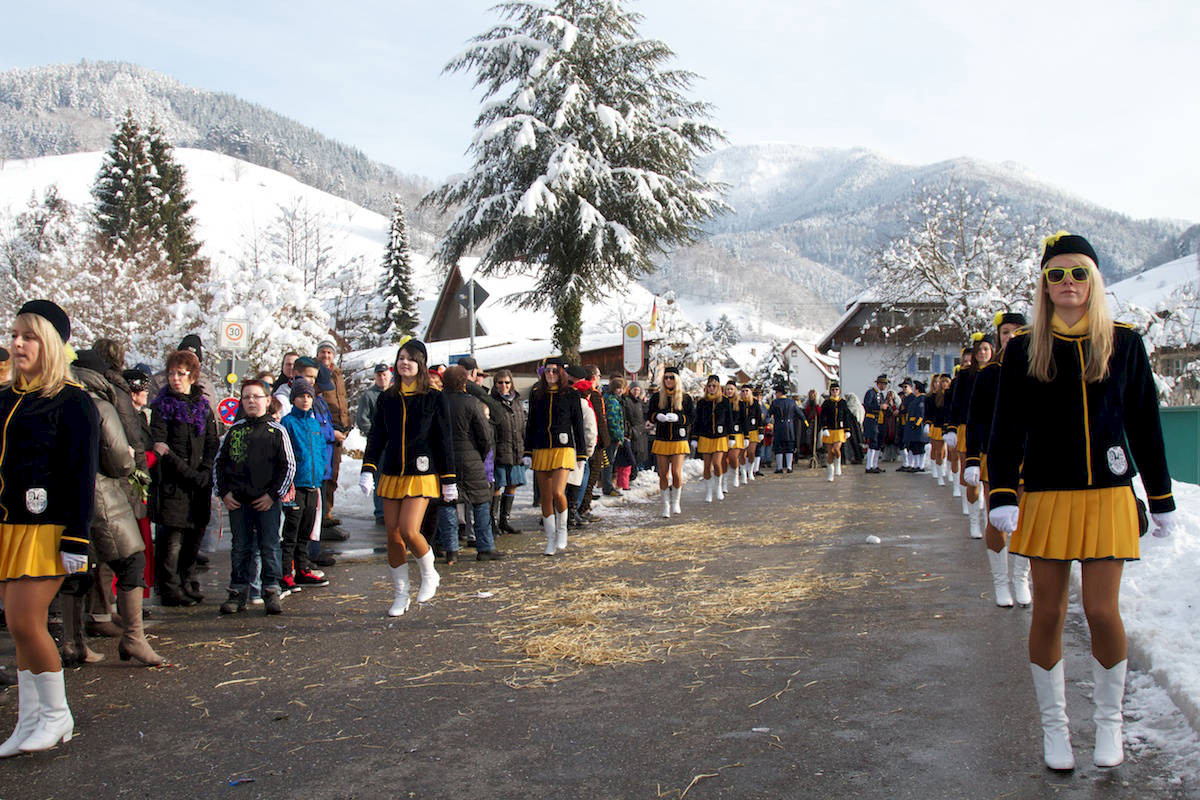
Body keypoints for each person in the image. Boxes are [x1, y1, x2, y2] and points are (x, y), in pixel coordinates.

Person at [987, 232, 1177, 772]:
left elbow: (1145, 424)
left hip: (1108, 496)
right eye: (1056, 274)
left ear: (1094, 281)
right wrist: (1003, 493)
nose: (1067, 282)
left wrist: (1160, 496)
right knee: (1047, 611)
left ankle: (1109, 726)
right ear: (1044, 285)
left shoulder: (1125, 342)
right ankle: (1055, 730)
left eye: (1078, 273)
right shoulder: (1024, 347)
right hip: (1048, 496)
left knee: (1100, 610)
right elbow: (1006, 428)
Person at [0, 300, 99, 756]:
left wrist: (77, 536)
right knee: (19, 625)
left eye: (29, 337)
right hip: (9, 527)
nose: (17, 344)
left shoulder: (74, 401)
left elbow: (82, 474)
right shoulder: (6, 398)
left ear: (52, 344)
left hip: (49, 528)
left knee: (26, 620)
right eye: (14, 335)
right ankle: (29, 720)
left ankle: (57, 715)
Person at [67, 349, 163, 666]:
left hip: (62, 498)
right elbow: (119, 460)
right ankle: (134, 638)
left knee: (77, 565)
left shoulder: (57, 397)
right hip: (101, 496)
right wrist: (132, 464)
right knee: (131, 561)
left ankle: (72, 642)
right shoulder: (99, 404)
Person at [360, 339, 456, 615]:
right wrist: (368, 468)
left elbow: (444, 440)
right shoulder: (387, 398)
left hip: (422, 473)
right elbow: (377, 436)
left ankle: (429, 573)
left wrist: (449, 479)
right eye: (401, 357)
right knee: (393, 536)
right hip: (392, 472)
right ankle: (401, 593)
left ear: (421, 364)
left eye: (411, 358)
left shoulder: (434, 397)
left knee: (409, 529)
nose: (405, 362)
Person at [964, 312, 1029, 607]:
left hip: (1031, 456)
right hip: (997, 455)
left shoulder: (1039, 367)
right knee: (997, 518)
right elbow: (976, 418)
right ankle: (1001, 582)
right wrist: (972, 459)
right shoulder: (990, 373)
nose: (1011, 336)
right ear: (998, 337)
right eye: (1005, 332)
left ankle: (1021, 577)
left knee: (1027, 520)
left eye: (1017, 330)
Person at [214, 380, 295, 616]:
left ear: (267, 401)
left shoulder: (276, 431)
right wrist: (224, 493)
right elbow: (220, 463)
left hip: (267, 502)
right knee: (240, 547)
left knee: (269, 546)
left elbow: (288, 466)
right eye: (246, 397)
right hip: (238, 502)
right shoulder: (234, 430)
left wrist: (273, 495)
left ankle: (271, 591)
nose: (251, 401)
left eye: (256, 397)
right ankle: (238, 592)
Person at [149, 349, 219, 607]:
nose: (175, 379)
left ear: (192, 376)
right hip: (174, 484)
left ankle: (187, 581)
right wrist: (190, 474)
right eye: (171, 374)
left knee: (194, 536)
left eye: (181, 374)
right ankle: (169, 588)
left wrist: (206, 471)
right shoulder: (162, 407)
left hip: (199, 484)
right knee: (172, 541)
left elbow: (211, 441)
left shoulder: (202, 407)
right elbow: (162, 447)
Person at [443, 365, 504, 560]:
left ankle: (450, 550)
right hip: (472, 460)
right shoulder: (471, 402)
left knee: (448, 502)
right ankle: (485, 547)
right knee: (480, 502)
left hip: (445, 460)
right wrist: (480, 454)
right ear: (464, 382)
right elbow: (485, 435)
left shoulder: (437, 401)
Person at [279, 378, 333, 594]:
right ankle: (285, 572)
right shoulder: (288, 423)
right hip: (295, 485)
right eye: (301, 396)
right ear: (294, 399)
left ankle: (302, 568)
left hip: (313, 484)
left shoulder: (314, 423)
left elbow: (320, 450)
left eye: (309, 396)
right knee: (291, 531)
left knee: (306, 530)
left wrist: (322, 471)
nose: (305, 400)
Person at [315, 343, 350, 532]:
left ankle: (327, 510)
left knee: (334, 472)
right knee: (325, 473)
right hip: (326, 426)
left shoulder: (337, 373)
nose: (326, 355)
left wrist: (346, 422)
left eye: (329, 352)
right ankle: (321, 513)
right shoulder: (317, 372)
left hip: (338, 428)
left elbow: (342, 400)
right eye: (323, 352)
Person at [648, 367, 692, 517]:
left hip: (679, 439)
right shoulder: (657, 397)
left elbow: (692, 417)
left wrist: (679, 418)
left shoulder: (685, 398)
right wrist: (656, 417)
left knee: (676, 473)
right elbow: (650, 414)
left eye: (671, 377)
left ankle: (676, 501)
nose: (668, 380)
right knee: (663, 474)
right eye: (666, 377)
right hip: (662, 438)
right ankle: (665, 504)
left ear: (677, 379)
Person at [489, 369, 526, 535]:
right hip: (499, 452)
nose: (504, 386)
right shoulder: (492, 402)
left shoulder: (517, 401)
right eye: (500, 382)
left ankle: (505, 520)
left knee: (512, 485)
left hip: (517, 450)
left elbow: (523, 426)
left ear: (511, 384)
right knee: (497, 486)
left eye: (507, 382)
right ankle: (493, 522)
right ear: (495, 384)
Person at [356, 364, 391, 526]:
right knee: (379, 477)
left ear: (390, 376)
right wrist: (375, 435)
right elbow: (362, 419)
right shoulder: (369, 395)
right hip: (378, 444)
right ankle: (381, 513)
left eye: (385, 375)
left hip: (394, 444)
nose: (382, 378)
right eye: (379, 375)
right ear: (374, 377)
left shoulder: (396, 392)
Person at [692, 375, 730, 503]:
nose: (711, 388)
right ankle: (708, 491)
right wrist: (694, 437)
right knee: (707, 466)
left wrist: (731, 436)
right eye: (709, 386)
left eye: (714, 386)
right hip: (705, 436)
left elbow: (729, 420)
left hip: (720, 437)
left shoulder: (725, 401)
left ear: (718, 387)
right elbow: (696, 421)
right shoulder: (702, 402)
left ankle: (718, 487)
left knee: (717, 463)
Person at [942, 347, 973, 500]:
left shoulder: (987, 375)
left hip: (981, 427)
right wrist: (950, 428)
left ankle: (978, 498)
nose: (967, 363)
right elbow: (951, 407)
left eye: (970, 360)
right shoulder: (957, 382)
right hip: (963, 425)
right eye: (964, 361)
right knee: (962, 461)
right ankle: (959, 490)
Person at [818, 381, 850, 482]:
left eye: (836, 390)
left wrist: (847, 429)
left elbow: (846, 416)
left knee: (836, 449)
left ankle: (838, 463)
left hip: (839, 430)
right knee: (830, 452)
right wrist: (824, 428)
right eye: (833, 390)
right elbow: (823, 416)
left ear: (839, 391)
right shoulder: (827, 403)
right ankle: (830, 473)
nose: (835, 391)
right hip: (829, 430)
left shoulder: (843, 402)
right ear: (830, 391)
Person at [767, 386, 802, 473]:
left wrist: (765, 422)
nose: (775, 394)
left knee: (778, 447)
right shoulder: (792, 402)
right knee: (789, 447)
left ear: (779, 393)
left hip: (778, 427)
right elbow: (800, 414)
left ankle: (780, 468)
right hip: (789, 427)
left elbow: (769, 414)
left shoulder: (775, 403)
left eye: (776, 393)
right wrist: (806, 422)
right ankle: (789, 467)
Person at [863, 375, 888, 474]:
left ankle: (875, 465)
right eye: (883, 384)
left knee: (878, 444)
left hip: (880, 422)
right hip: (872, 421)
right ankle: (869, 466)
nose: (884, 386)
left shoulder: (880, 394)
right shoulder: (871, 393)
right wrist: (879, 407)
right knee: (873, 443)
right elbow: (867, 405)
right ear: (878, 384)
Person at [740, 384, 763, 480]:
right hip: (741, 432)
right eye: (743, 391)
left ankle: (750, 470)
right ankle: (743, 471)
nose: (745, 393)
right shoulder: (739, 403)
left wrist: (761, 431)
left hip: (753, 430)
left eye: (747, 391)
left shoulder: (755, 403)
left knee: (751, 452)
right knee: (742, 453)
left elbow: (759, 417)